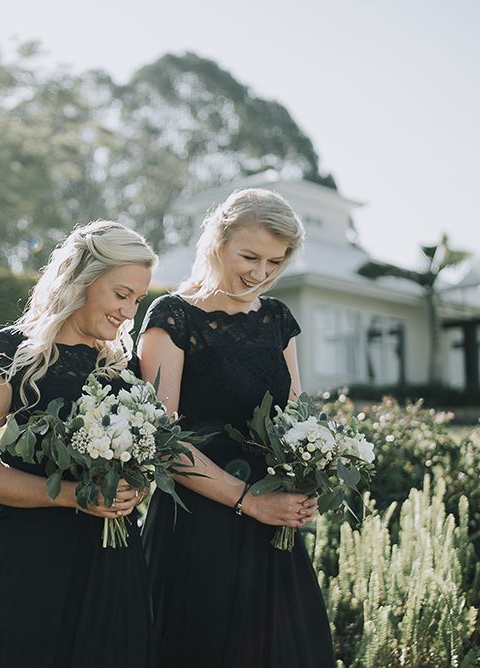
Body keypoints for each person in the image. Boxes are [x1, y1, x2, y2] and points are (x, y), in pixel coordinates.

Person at [137, 188, 335, 668]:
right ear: (217, 240)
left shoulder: (276, 319)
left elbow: (294, 418)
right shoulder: (172, 317)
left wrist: (308, 476)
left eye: (275, 262)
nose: (260, 273)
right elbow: (161, 440)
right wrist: (250, 502)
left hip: (273, 530)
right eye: (250, 256)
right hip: (197, 523)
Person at [0, 220, 157, 668]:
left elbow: (142, 462)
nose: (129, 311)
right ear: (81, 280)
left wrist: (136, 485)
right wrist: (74, 498)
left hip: (114, 556)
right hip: (31, 557)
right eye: (121, 294)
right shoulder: (8, 351)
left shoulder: (127, 369)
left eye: (137, 300)